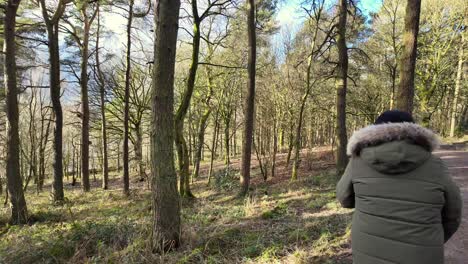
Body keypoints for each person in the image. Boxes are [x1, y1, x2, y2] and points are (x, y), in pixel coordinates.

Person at [336, 110, 462, 264]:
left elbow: (344, 199)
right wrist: (431, 239)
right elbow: (453, 215)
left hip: (369, 253)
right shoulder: (436, 165)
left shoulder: (358, 161)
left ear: (372, 132)